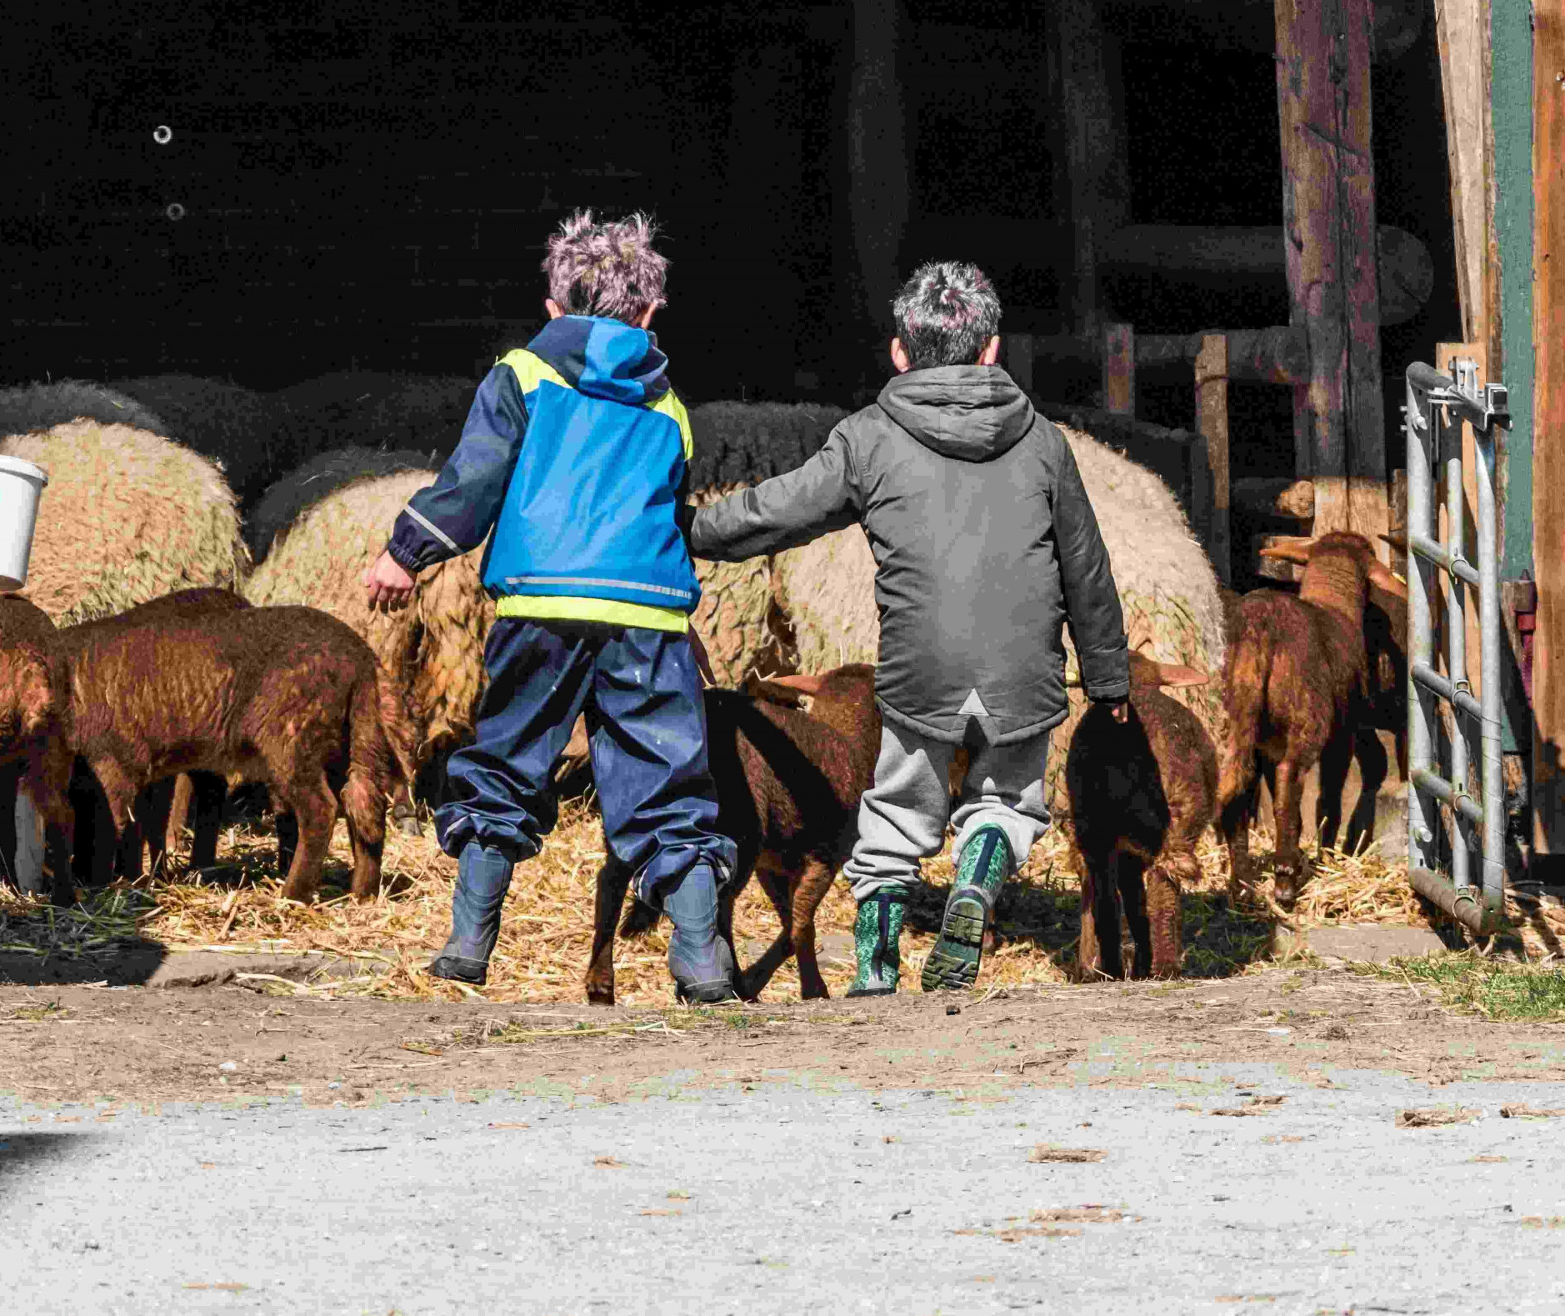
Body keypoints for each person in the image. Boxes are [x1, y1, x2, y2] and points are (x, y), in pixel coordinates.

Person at [687, 261, 1132, 995]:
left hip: (920, 667)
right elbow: (1086, 566)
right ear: (993, 349)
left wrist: (688, 529)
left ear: (899, 352)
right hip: (1023, 666)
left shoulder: (869, 437)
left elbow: (778, 510)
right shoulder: (1043, 441)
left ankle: (875, 968)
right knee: (1006, 802)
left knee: (895, 811)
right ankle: (973, 890)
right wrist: (1110, 678)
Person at [363, 211, 739, 1002]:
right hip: (646, 613)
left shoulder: (524, 375)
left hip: (542, 601)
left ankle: (467, 947)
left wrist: (407, 550)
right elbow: (667, 517)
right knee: (668, 782)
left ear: (553, 306)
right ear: (648, 312)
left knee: (506, 761)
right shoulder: (669, 407)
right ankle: (702, 962)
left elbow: (473, 480)